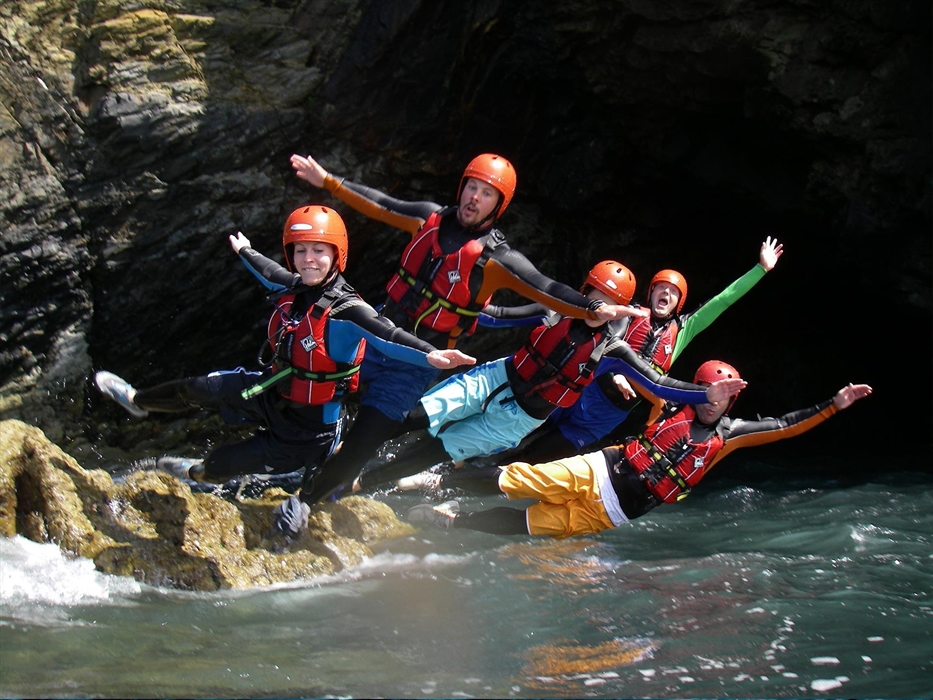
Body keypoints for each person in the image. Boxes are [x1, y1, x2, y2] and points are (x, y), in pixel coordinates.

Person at [285, 152, 639, 508]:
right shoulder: (428, 218)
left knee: (365, 441)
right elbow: (381, 203)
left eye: (486, 194)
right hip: (375, 334)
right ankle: (289, 466)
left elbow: (544, 286)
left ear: (498, 206)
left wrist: (590, 308)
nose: (474, 197)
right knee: (309, 397)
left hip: (416, 362)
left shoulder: (497, 259)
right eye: (471, 187)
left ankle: (311, 499)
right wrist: (329, 181)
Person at [94, 205, 475, 527]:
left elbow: (387, 333)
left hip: (306, 432)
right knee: (196, 387)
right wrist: (245, 250)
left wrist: (429, 355)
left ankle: (197, 472)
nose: (308, 259)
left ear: (336, 255)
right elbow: (266, 270)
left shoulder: (348, 310)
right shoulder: (291, 287)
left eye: (319, 251)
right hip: (268, 389)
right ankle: (137, 399)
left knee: (221, 464)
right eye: (300, 250)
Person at [334, 264, 748, 500]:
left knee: (468, 451)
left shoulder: (622, 347)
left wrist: (703, 393)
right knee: (415, 415)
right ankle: (342, 459)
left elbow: (658, 384)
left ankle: (387, 481)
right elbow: (498, 315)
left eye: (607, 303)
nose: (598, 308)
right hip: (505, 380)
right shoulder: (557, 311)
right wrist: (444, 310)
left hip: (546, 416)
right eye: (593, 297)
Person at [404, 361, 872, 539]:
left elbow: (785, 426)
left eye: (725, 394)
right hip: (599, 470)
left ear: (733, 400)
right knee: (520, 478)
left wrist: (834, 404)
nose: (717, 400)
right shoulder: (670, 404)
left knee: (531, 525)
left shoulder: (729, 436)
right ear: (698, 390)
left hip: (617, 512)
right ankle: (435, 479)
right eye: (711, 390)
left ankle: (452, 520)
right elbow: (634, 368)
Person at [453, 237, 785, 467]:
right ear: (650, 293)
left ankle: (475, 481)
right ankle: (457, 458)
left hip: (604, 414)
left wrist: (760, 269)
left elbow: (723, 300)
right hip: (580, 389)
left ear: (679, 302)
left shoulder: (684, 329)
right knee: (511, 428)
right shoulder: (627, 314)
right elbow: (595, 343)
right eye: (660, 289)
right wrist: (615, 373)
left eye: (672, 293)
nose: (665, 295)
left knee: (534, 456)